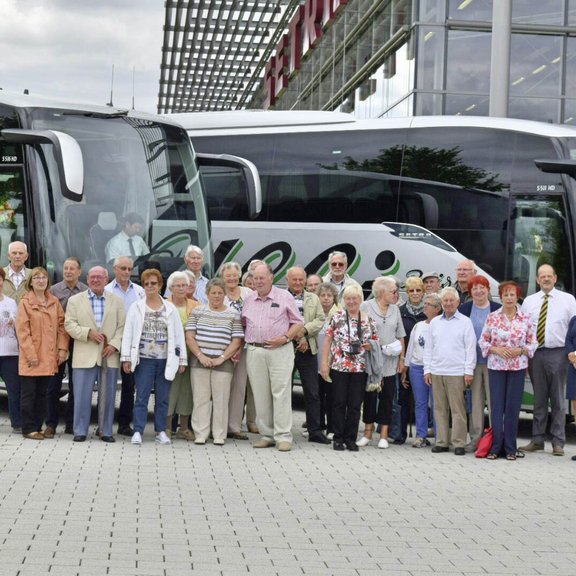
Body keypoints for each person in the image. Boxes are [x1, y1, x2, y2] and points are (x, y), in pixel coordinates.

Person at [241, 263, 303, 452]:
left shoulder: (284, 297)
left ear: (271, 277)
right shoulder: (249, 299)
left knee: (281, 393)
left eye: (262, 277)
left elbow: (298, 323)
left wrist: (285, 338)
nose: (258, 281)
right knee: (260, 394)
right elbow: (243, 324)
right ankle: (267, 435)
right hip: (255, 351)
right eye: (255, 278)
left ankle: (283, 436)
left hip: (280, 351)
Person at [121, 268, 187, 445]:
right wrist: (126, 358)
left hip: (165, 360)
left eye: (154, 283)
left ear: (160, 285)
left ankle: (160, 431)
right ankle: (138, 431)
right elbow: (128, 333)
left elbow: (179, 336)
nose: (150, 286)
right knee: (141, 396)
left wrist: (182, 360)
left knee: (163, 397)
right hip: (144, 360)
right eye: (146, 283)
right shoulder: (136, 307)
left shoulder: (170, 308)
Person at [520, 264, 576, 456]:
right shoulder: (529, 301)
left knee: (558, 398)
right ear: (537, 280)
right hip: (536, 354)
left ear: (555, 278)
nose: (545, 279)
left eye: (549, 276)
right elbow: (525, 329)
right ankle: (537, 440)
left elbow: (574, 329)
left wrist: (573, 352)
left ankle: (558, 442)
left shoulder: (568, 300)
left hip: (559, 353)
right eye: (542, 276)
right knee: (539, 399)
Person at [64, 266, 125, 443]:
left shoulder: (117, 301)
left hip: (109, 355)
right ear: (88, 279)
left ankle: (106, 431)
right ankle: (80, 430)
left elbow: (122, 327)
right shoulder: (75, 300)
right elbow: (69, 324)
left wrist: (114, 345)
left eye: (100, 277)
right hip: (84, 355)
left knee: (108, 395)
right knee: (82, 395)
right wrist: (87, 333)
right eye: (92, 277)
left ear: (106, 279)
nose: (96, 280)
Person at [479, 281, 537, 460]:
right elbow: (483, 341)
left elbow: (533, 343)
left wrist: (519, 350)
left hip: (517, 367)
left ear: (517, 296)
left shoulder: (526, 318)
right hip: (496, 366)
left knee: (512, 408)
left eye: (512, 294)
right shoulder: (492, 317)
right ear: (501, 297)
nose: (509, 298)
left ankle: (511, 448)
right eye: (506, 295)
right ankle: (496, 447)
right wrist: (495, 349)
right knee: (496, 407)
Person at [320, 284, 378, 451]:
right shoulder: (337, 317)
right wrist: (324, 363)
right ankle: (338, 438)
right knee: (338, 403)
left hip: (360, 368)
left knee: (354, 405)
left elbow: (375, 342)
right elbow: (328, 341)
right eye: (348, 298)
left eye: (354, 298)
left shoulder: (368, 319)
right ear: (343, 301)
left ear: (360, 299)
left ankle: (350, 438)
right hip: (339, 366)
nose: (351, 301)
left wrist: (369, 345)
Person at [186, 278, 244, 445]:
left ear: (224, 294)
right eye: (213, 293)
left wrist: (222, 358)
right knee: (200, 398)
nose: (216, 296)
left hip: (223, 363)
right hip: (200, 361)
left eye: (220, 293)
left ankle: (219, 434)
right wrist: (200, 356)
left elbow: (236, 340)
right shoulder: (198, 311)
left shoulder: (233, 314)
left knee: (221, 399)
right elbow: (190, 336)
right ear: (207, 294)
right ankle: (201, 433)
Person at [16, 267, 69, 440]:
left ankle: (38, 427)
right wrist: (31, 355)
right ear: (30, 282)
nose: (40, 280)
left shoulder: (54, 301)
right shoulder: (25, 303)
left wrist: (62, 349)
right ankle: (29, 428)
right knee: (29, 394)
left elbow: (62, 327)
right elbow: (22, 332)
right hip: (32, 358)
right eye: (37, 277)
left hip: (50, 357)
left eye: (43, 277)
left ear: (48, 281)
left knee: (43, 394)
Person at [423, 287, 476, 455]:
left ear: (458, 302)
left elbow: (470, 348)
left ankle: (459, 443)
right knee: (439, 408)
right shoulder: (435, 322)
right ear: (441, 303)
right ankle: (442, 441)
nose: (448, 303)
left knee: (458, 410)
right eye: (445, 301)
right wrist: (427, 370)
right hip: (437, 371)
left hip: (457, 372)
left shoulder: (465, 322)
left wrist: (469, 371)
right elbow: (429, 348)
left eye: (451, 300)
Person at [357, 277, 405, 449]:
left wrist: (401, 359)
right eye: (393, 291)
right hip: (371, 361)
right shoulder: (366, 306)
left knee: (387, 398)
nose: (396, 294)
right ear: (382, 292)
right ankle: (367, 433)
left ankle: (384, 435)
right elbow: (360, 331)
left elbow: (400, 335)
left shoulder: (395, 309)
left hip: (390, 362)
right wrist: (371, 345)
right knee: (369, 397)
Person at [286, 266, 329, 444]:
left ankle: (315, 431)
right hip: (286, 348)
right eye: (294, 279)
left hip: (308, 349)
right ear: (287, 280)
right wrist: (297, 337)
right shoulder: (281, 297)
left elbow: (320, 319)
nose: (298, 283)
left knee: (312, 392)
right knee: (283, 391)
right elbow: (277, 320)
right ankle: (281, 430)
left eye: (300, 279)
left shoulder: (313, 298)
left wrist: (303, 331)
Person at [46, 257, 88, 436]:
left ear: (79, 271)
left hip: (79, 342)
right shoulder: (54, 290)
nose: (68, 271)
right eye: (65, 268)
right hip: (57, 341)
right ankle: (50, 424)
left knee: (75, 384)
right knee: (53, 385)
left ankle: (71, 424)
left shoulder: (86, 291)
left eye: (72, 268)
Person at [458, 275, 501, 449]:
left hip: (494, 363)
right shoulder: (465, 309)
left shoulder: (497, 309)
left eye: (482, 287)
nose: (478, 291)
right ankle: (475, 439)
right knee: (475, 402)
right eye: (474, 288)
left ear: (488, 290)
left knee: (494, 402)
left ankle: (495, 439)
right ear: (470, 292)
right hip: (473, 363)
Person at [105, 256, 145, 436]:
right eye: (123, 268)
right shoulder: (106, 290)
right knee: (108, 385)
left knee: (129, 386)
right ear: (115, 269)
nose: (127, 272)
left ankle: (123, 423)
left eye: (130, 269)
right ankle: (104, 423)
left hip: (132, 345)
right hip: (111, 344)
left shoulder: (139, 291)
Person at [220, 262, 254, 439]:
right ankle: (218, 425)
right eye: (228, 275)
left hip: (244, 345)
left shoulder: (248, 293)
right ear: (222, 277)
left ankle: (234, 427)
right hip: (221, 346)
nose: (232, 278)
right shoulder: (217, 292)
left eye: (235, 275)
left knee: (239, 386)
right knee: (220, 386)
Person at [404, 293, 442, 448]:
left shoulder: (440, 324)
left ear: (437, 309)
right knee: (420, 403)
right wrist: (406, 367)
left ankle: (441, 435)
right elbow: (411, 348)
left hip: (435, 368)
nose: (425, 306)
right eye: (425, 303)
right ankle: (421, 435)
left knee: (437, 403)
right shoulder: (418, 325)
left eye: (428, 304)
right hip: (417, 367)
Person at [165, 271, 198, 440]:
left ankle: (184, 427)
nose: (181, 288)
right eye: (177, 285)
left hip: (191, 352)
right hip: (170, 353)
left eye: (183, 285)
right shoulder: (164, 305)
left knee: (187, 390)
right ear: (170, 288)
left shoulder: (195, 305)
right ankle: (167, 427)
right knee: (171, 389)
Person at [398, 276, 427, 443]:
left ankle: (423, 433)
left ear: (423, 292)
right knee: (403, 397)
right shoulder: (400, 312)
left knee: (422, 400)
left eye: (418, 290)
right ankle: (400, 433)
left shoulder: (430, 312)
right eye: (411, 291)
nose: (415, 293)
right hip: (405, 359)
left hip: (422, 360)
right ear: (407, 293)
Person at [316, 282, 340, 439]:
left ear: (334, 298)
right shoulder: (313, 314)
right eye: (322, 295)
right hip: (315, 359)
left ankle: (332, 428)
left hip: (331, 361)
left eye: (329, 295)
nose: (325, 298)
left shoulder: (339, 314)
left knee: (332, 396)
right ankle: (317, 426)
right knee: (316, 396)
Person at [0, 267, 21, 432]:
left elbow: (17, 324)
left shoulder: (11, 302)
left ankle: (17, 423)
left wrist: (13, 321)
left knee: (14, 389)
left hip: (10, 352)